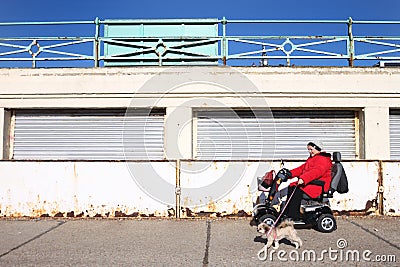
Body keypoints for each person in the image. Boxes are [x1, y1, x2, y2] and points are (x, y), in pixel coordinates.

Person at [283, 140, 332, 220]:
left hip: (319, 185)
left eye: (311, 149)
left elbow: (317, 171)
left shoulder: (323, 159)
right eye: (308, 149)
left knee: (297, 190)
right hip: (312, 183)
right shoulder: (313, 158)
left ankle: (294, 216)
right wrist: (289, 174)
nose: (310, 151)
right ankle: (288, 213)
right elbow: (302, 169)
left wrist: (304, 178)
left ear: (317, 148)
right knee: (292, 186)